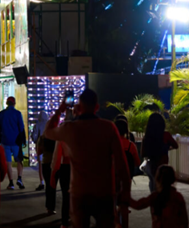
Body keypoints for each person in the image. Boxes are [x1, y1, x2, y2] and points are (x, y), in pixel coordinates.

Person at [45, 89, 129, 228]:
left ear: (79, 106)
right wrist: (125, 193)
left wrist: (61, 109)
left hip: (79, 192)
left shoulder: (70, 128)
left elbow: (48, 132)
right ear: (96, 107)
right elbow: (121, 164)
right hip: (104, 192)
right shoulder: (108, 128)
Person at [142, 113, 179, 192]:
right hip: (163, 166)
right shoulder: (166, 135)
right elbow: (176, 145)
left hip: (151, 165)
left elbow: (143, 153)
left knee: (153, 188)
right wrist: (166, 148)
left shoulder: (147, 137)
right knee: (162, 189)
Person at [0, 96, 26, 189]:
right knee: (19, 160)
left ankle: (11, 183)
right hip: (16, 142)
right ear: (14, 103)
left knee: (8, 162)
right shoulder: (17, 114)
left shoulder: (1, 114)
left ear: (6, 104)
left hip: (5, 141)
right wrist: (23, 140)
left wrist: (0, 139)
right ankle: (19, 178)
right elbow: (21, 128)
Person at [33, 110, 49, 191]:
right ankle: (50, 182)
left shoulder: (37, 124)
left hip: (40, 146)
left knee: (40, 165)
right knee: (50, 164)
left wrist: (36, 141)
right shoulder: (49, 124)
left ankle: (41, 182)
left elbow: (34, 136)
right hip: (50, 146)